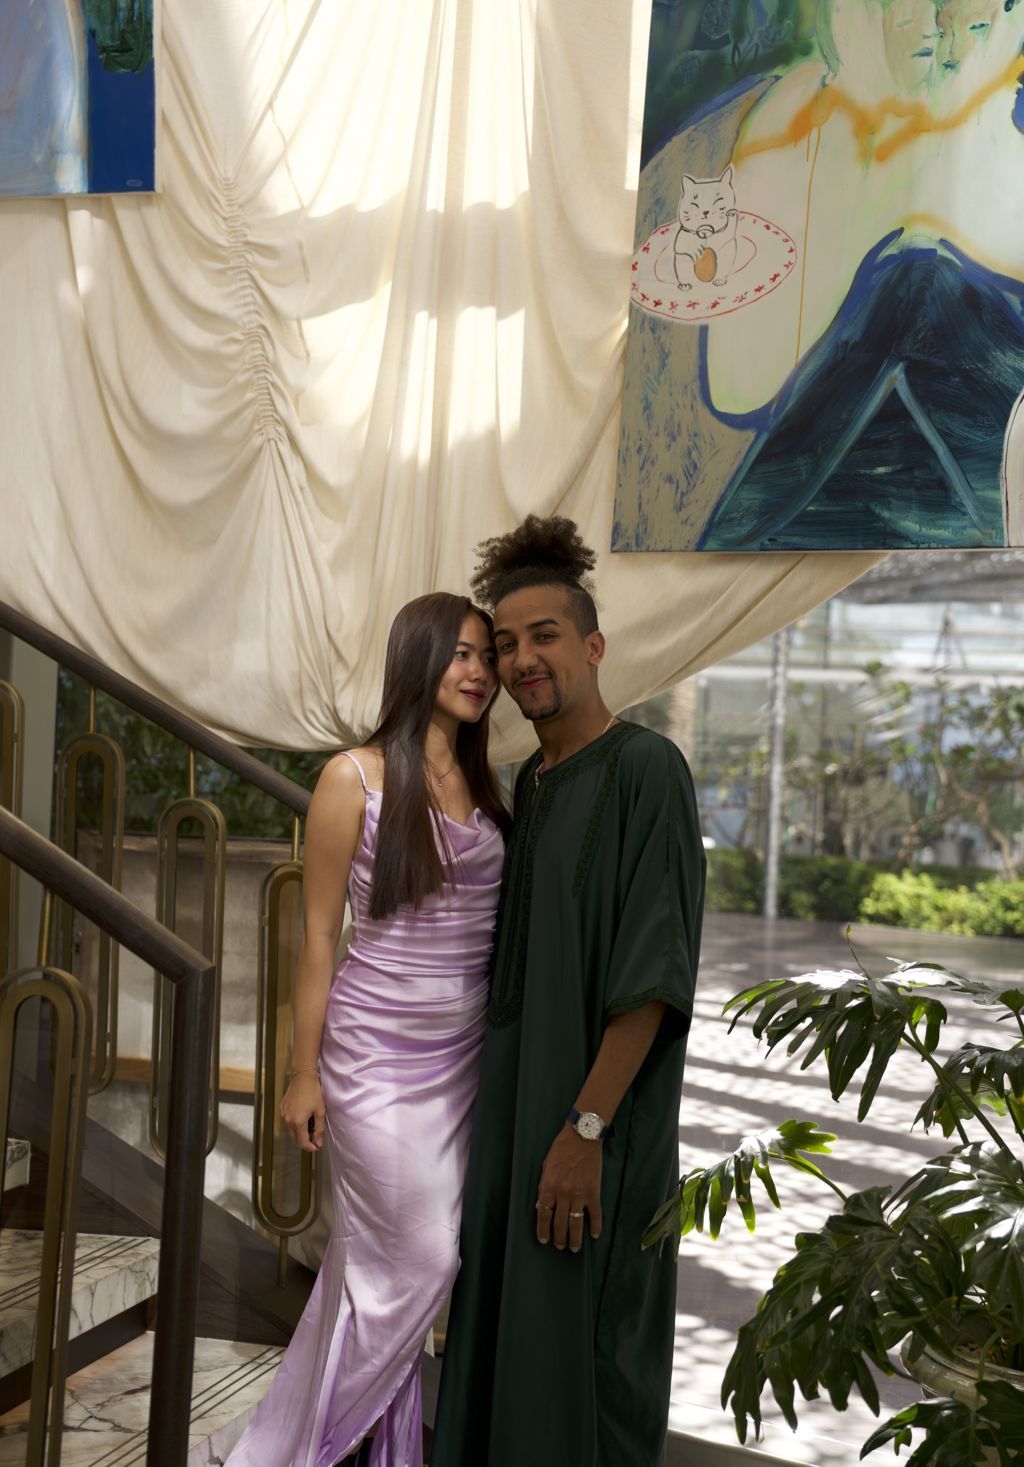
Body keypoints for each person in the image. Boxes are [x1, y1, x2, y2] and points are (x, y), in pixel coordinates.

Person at [431, 517, 706, 1467]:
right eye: (505, 643)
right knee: (504, 1347)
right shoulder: (526, 786)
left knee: (588, 1371)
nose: (521, 659)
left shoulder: (646, 769)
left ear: (592, 646)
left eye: (543, 635)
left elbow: (653, 976)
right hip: (515, 1130)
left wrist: (585, 1130)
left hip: (596, 1137)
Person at [226, 592, 509, 1467]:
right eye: (461, 653)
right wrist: (301, 1070)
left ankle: (354, 1445)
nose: (480, 671)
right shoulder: (352, 777)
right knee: (424, 1258)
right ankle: (302, 1449)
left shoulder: (490, 782)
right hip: (374, 1053)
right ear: (418, 659)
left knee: (380, 1267)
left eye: (486, 656)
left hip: (463, 1060)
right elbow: (318, 935)